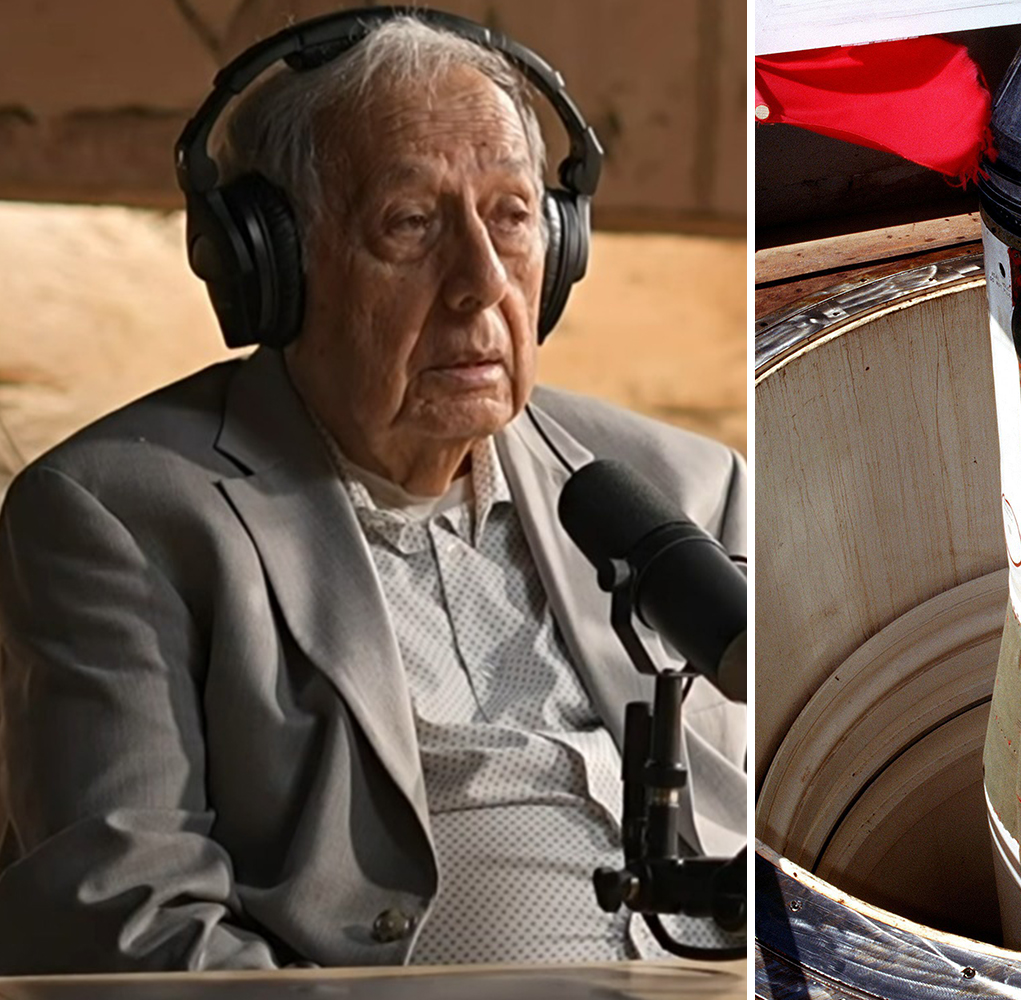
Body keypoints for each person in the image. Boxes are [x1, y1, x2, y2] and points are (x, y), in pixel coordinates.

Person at [0, 11, 745, 973]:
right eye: (410, 224)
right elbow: (122, 925)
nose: (481, 283)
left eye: (512, 216)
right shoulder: (117, 515)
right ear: (273, 262)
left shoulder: (687, 485)